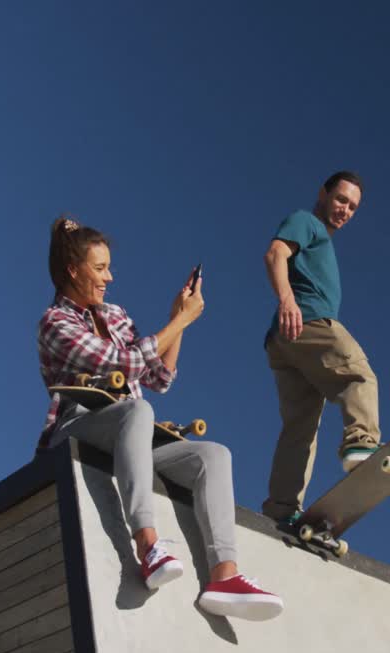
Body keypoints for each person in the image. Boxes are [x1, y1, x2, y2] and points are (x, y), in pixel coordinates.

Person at [38, 216, 282, 621]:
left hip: (129, 432)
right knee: (137, 410)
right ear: (72, 270)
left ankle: (225, 575)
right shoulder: (55, 323)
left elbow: (159, 377)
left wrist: (177, 319)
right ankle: (147, 546)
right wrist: (180, 320)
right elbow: (123, 361)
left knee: (212, 454)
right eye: (100, 268)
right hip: (79, 426)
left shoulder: (115, 316)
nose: (109, 277)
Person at [260, 171, 381, 525]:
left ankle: (282, 508)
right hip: (307, 322)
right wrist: (286, 300)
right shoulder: (306, 222)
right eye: (341, 200)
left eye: (353, 207)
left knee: (301, 427)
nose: (345, 210)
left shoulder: (321, 241)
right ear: (323, 193)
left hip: (284, 343)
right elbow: (275, 254)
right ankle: (361, 440)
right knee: (358, 374)